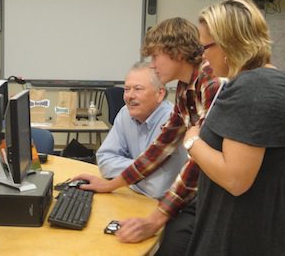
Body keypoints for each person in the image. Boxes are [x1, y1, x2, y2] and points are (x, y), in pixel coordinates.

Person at [74, 17, 221, 249]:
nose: (152, 65)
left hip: (223, 197)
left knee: (173, 240)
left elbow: (197, 165)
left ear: (179, 53)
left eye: (155, 56)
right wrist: (110, 185)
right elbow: (160, 149)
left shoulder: (211, 84)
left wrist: (155, 220)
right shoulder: (186, 88)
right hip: (202, 193)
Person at [182, 0, 285, 255]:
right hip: (263, 232)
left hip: (237, 239)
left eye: (206, 47)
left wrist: (192, 141)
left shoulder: (253, 89)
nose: (204, 58)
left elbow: (235, 179)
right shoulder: (280, 82)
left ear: (228, 43)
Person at [96, 62, 187, 199]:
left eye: (138, 89)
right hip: (134, 198)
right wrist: (145, 171)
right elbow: (104, 161)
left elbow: (157, 189)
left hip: (166, 208)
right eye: (127, 89)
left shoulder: (172, 122)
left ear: (159, 94)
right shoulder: (125, 113)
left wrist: (121, 177)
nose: (129, 96)